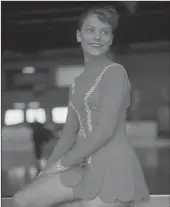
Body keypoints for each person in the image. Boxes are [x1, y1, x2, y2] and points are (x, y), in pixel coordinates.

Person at [13, 5, 150, 207]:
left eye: (104, 32)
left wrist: (63, 164)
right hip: (84, 168)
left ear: (110, 39)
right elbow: (68, 133)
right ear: (79, 35)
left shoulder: (115, 73)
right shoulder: (77, 83)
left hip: (113, 170)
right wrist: (47, 169)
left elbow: (104, 131)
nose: (97, 37)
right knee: (21, 200)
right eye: (90, 30)